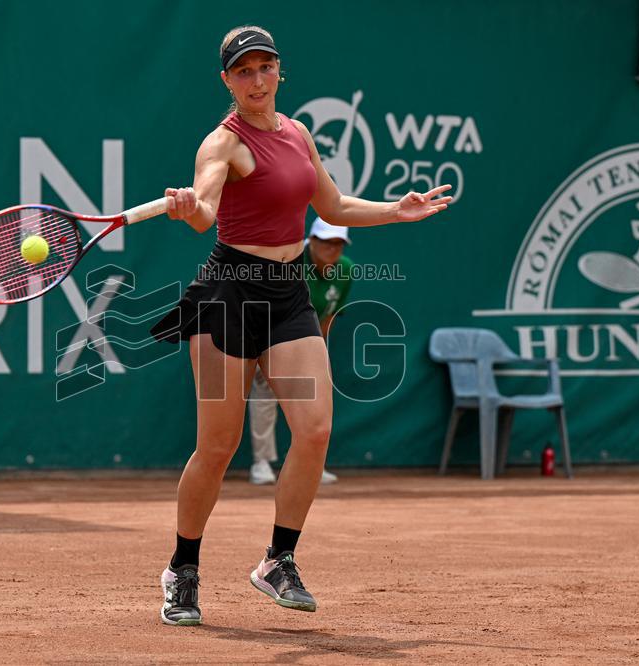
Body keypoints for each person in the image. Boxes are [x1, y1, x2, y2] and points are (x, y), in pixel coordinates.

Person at [150, 25, 452, 626]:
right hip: (228, 296)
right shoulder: (222, 144)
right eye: (244, 71)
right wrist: (190, 207)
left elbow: (333, 207)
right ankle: (182, 568)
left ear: (278, 70)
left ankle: (278, 560)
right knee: (218, 446)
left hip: (289, 295)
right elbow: (206, 210)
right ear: (227, 81)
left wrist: (396, 211)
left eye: (265, 67)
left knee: (314, 431)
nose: (257, 80)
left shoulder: (298, 134)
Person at [249, 218, 354, 486]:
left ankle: (310, 463)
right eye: (327, 242)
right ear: (312, 241)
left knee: (316, 400)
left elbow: (328, 317)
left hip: (306, 340)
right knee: (265, 393)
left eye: (338, 243)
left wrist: (317, 354)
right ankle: (261, 463)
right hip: (267, 334)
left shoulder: (345, 269)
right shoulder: (288, 261)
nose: (333, 249)